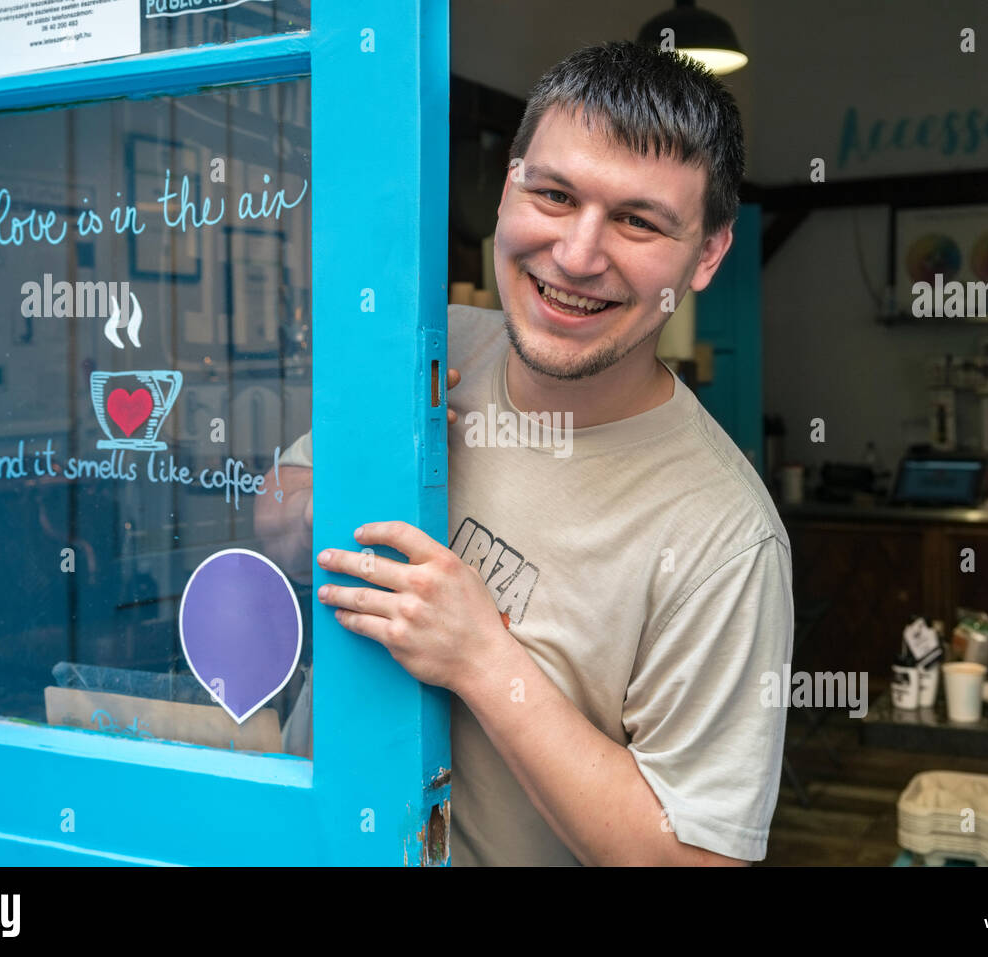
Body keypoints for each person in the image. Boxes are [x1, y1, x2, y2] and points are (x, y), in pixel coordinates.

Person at [253, 40, 793, 866]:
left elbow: (699, 860)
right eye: (555, 195)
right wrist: (340, 497)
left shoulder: (725, 538)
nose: (577, 255)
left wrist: (482, 659)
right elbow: (274, 515)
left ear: (708, 253)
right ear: (509, 190)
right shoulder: (430, 347)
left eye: (638, 220)